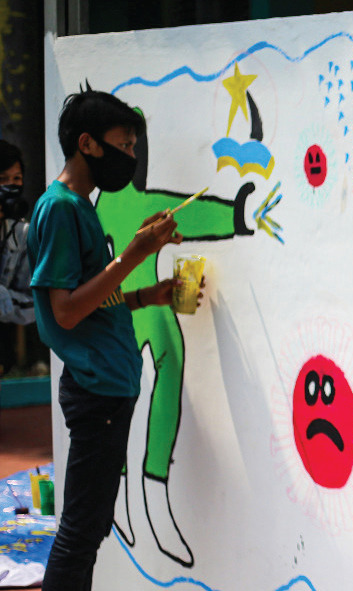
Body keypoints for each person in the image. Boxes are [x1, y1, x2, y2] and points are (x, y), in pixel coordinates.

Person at [28, 90, 191, 590]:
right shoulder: (59, 209)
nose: (131, 158)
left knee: (90, 527)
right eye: (124, 145)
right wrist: (137, 253)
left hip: (108, 390)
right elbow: (67, 309)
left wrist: (147, 296)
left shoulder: (79, 207)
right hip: (97, 394)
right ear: (88, 144)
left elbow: (95, 299)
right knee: (79, 533)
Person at [0, 139, 36, 373]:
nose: (11, 186)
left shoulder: (21, 234)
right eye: (2, 179)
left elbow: (32, 305)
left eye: (16, 179)